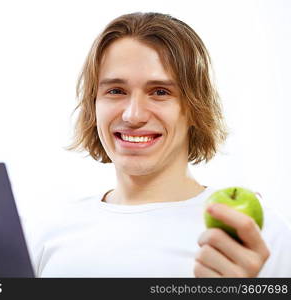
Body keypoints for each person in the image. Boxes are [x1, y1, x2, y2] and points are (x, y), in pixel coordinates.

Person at [24, 12, 291, 277]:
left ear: (195, 108)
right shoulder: (46, 231)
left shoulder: (253, 235)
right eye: (116, 91)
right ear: (94, 105)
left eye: (160, 92)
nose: (133, 115)